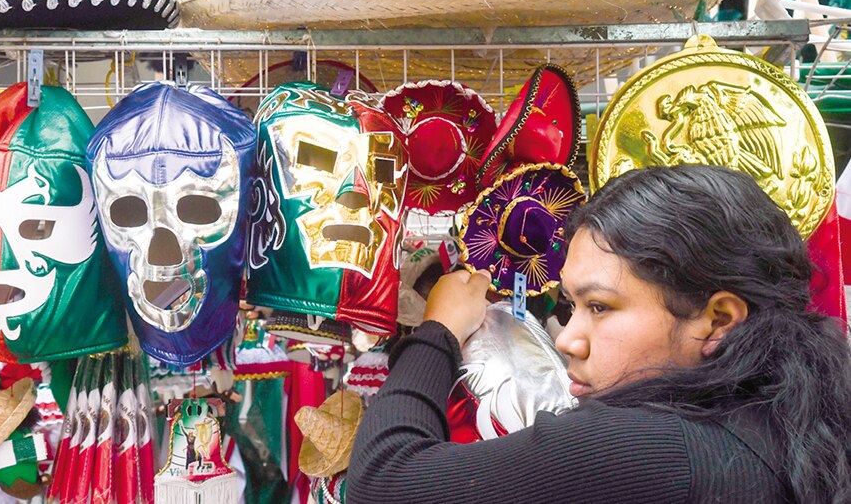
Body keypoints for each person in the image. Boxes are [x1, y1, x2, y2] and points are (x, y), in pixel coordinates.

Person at [348, 165, 851, 503]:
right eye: (571, 307)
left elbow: (381, 481)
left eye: (600, 307)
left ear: (718, 319)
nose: (568, 339)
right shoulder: (785, 420)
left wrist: (436, 332)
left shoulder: (656, 450)